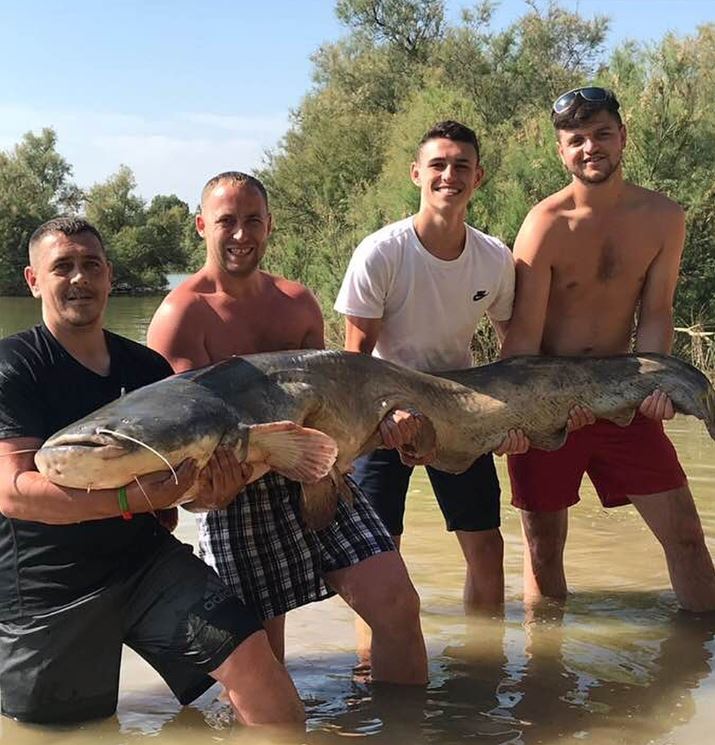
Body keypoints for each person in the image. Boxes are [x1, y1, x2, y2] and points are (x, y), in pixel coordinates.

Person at [0, 217, 304, 726]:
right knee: (68, 734)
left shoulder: (147, 369)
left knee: (258, 669)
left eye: (91, 265)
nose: (79, 278)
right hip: (48, 587)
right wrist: (127, 501)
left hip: (148, 566)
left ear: (109, 276)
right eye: (63, 267)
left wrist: (214, 493)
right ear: (34, 280)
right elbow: (14, 493)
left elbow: (188, 495)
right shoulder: (13, 366)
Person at [146, 172, 428, 684]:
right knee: (266, 659)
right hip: (236, 492)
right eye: (226, 221)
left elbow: (331, 402)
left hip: (317, 469)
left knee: (398, 607)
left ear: (270, 225)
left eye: (252, 220)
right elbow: (181, 436)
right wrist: (199, 495)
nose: (240, 234)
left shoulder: (296, 301)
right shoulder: (180, 315)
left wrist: (381, 423)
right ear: (200, 225)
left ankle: (405, 729)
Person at [501, 86, 715, 612]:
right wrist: (520, 417)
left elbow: (658, 312)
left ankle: (700, 666)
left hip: (626, 394)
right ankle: (544, 677)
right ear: (561, 151)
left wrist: (655, 388)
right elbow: (523, 335)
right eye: (576, 140)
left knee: (686, 536)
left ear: (623, 137)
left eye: (601, 135)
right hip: (550, 401)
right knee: (542, 550)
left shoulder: (665, 217)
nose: (590, 147)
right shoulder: (544, 224)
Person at [335, 120, 527, 613]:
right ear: (416, 173)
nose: (449, 175)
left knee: (487, 547)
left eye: (461, 166)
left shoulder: (494, 258)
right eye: (438, 165)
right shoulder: (381, 252)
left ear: (478, 177)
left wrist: (512, 420)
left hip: (460, 406)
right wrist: (381, 419)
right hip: (381, 409)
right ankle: (372, 667)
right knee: (376, 555)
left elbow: (515, 354)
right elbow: (354, 362)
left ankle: (482, 671)